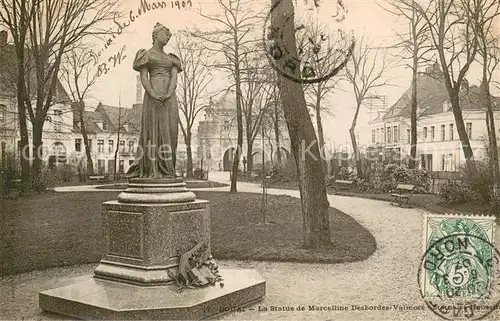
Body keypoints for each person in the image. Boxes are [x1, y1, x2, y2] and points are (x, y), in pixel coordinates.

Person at [127, 23, 182, 178]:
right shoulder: (146, 55)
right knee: (153, 131)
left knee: (171, 131)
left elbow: (174, 79)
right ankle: (153, 168)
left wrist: (168, 94)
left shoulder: (172, 59)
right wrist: (153, 94)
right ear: (156, 35)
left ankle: (168, 169)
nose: (168, 37)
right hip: (153, 97)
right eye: (166, 33)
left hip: (169, 99)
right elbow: (144, 78)